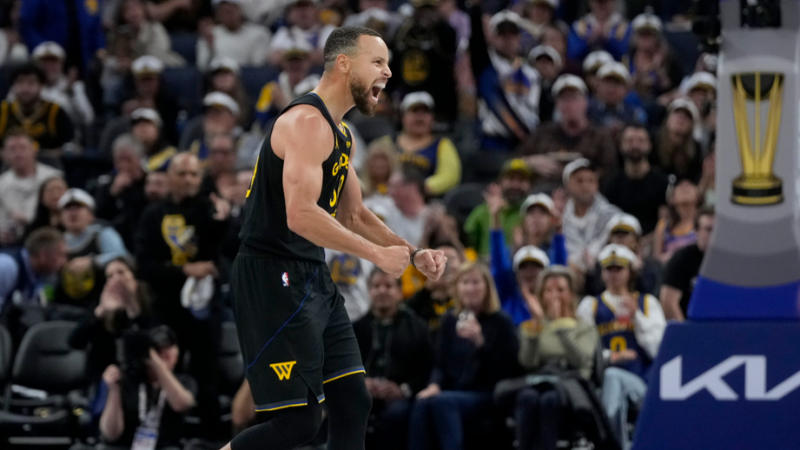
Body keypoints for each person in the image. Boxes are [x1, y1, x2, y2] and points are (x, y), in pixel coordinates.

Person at [223, 27, 446, 450]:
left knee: (352, 401)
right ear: (344, 63)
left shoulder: (340, 133)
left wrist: (412, 253)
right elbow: (300, 214)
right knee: (297, 423)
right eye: (378, 62)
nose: (389, 72)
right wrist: (377, 256)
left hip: (310, 273)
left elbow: (355, 214)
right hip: (272, 275)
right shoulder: (306, 123)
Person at [408, 261, 519, 450]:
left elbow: (507, 369)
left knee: (444, 402)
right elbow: (440, 363)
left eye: (476, 282)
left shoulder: (501, 321)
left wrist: (480, 341)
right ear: (457, 288)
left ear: (487, 287)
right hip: (452, 390)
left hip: (487, 393)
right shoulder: (450, 320)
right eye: (465, 283)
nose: (470, 288)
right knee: (423, 403)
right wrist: (434, 385)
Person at [576, 244, 666, 450]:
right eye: (609, 269)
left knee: (614, 378)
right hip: (602, 383)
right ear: (602, 273)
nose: (613, 274)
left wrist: (637, 318)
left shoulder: (647, 303)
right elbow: (584, 350)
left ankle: (610, 444)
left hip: (642, 382)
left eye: (619, 269)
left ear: (630, 272)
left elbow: (658, 350)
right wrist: (609, 356)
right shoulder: (590, 306)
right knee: (612, 377)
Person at [514, 265, 599, 450]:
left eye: (560, 290)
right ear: (540, 295)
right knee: (527, 397)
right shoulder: (532, 326)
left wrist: (559, 325)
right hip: (540, 382)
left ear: (571, 294)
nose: (554, 296)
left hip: (572, 384)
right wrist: (536, 327)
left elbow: (582, 360)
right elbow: (528, 362)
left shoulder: (583, 327)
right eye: (548, 290)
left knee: (549, 400)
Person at [353, 268, 433, 450]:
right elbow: (343, 368)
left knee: (397, 414)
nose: (382, 290)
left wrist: (403, 389)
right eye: (376, 286)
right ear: (369, 291)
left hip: (401, 397)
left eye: (388, 286)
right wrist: (362, 383)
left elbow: (427, 369)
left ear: (399, 291)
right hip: (363, 395)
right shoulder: (355, 329)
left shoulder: (417, 328)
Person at [98, 325, 197, 448]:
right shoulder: (127, 381)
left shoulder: (184, 381)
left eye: (170, 349)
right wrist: (114, 389)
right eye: (159, 352)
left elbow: (182, 404)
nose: (166, 355)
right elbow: (110, 434)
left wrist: (156, 362)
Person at [520, 74, 617, 184]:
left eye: (573, 98)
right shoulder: (543, 133)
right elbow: (514, 160)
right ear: (557, 104)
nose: (569, 104)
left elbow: (610, 171)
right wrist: (529, 162)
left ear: (585, 102)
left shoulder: (600, 136)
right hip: (544, 194)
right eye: (563, 99)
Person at [0, 227, 67, 343]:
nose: (64, 261)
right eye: (61, 255)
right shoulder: (6, 266)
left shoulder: (47, 276)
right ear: (43, 255)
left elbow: (45, 305)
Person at [602, 123, 669, 235]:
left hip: (652, 241)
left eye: (640, 141)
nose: (635, 145)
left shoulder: (661, 182)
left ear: (649, 145)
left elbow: (664, 222)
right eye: (630, 141)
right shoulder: (611, 183)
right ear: (621, 145)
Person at [0, 131, 62, 246]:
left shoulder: (53, 178)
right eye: (12, 149)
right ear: (4, 154)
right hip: (10, 243)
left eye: (23, 148)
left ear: (34, 150)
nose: (18, 154)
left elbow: (61, 213)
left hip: (47, 239)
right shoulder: (1, 183)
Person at [395, 91, 461, 197]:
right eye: (414, 111)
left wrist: (420, 188)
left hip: (427, 201)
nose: (420, 117)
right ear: (403, 116)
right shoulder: (388, 142)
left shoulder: (442, 145)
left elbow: (450, 176)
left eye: (425, 112)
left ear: (432, 117)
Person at [464, 158, 532, 258]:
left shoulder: (532, 212)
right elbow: (468, 245)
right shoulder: (482, 211)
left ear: (530, 184)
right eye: (511, 179)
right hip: (484, 265)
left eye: (521, 180)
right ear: (500, 182)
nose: (516, 185)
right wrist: (472, 262)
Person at [560, 158, 620, 273]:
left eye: (590, 181)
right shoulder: (560, 216)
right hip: (569, 271)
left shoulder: (612, 215)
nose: (585, 186)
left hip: (604, 270)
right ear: (567, 185)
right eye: (579, 181)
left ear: (597, 185)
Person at [0, 64, 74, 155]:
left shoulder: (55, 111)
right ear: (13, 86)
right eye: (20, 82)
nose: (25, 88)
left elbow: (69, 148)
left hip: (49, 166)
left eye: (31, 83)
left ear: (41, 86)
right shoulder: (3, 110)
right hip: (8, 166)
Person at [93, 134, 149, 249]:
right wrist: (113, 193)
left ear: (140, 159)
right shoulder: (106, 183)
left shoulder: (150, 182)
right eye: (119, 160)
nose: (123, 165)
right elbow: (98, 215)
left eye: (128, 160)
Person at [660, 207, 714, 321]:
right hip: (689, 322)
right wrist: (686, 332)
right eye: (708, 229)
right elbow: (668, 301)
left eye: (717, 229)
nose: (714, 234)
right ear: (696, 231)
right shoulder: (682, 259)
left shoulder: (729, 260)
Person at [197, 0, 271, 69]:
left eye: (231, 10)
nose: (228, 14)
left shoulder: (260, 33)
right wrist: (210, 47)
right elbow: (202, 67)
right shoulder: (209, 34)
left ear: (241, 10)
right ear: (218, 14)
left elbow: (258, 67)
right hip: (218, 77)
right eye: (224, 11)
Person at [653, 179, 699, 264]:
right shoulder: (663, 225)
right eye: (680, 185)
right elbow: (657, 259)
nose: (685, 187)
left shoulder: (705, 223)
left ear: (698, 195)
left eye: (689, 185)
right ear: (672, 198)